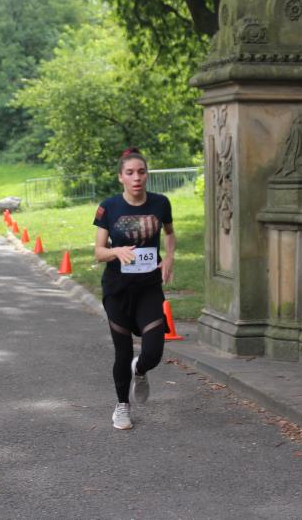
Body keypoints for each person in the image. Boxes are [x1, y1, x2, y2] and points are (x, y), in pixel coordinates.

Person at [94, 147, 176, 430]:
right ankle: (122, 406)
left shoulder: (160, 203)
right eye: (130, 173)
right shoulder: (109, 207)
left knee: (153, 351)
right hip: (117, 289)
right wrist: (116, 252)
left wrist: (169, 258)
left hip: (148, 287)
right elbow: (98, 252)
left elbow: (169, 234)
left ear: (146, 175)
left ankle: (140, 371)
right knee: (123, 351)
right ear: (121, 177)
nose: (136, 177)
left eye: (141, 172)